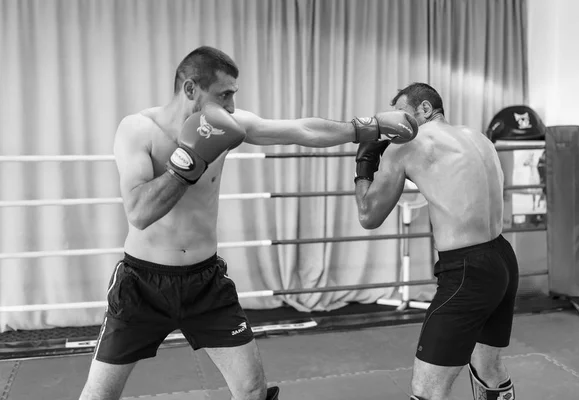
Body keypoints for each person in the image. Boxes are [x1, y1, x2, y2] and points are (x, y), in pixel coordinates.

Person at [78, 46, 418, 400]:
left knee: (253, 391)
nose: (231, 108)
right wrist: (188, 162)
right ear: (191, 88)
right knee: (99, 396)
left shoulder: (229, 123)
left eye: (233, 96)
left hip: (204, 282)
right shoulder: (138, 130)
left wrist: (367, 127)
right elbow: (139, 212)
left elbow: (300, 130)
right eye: (223, 95)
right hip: (143, 284)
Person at [353, 83, 518, 400]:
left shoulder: (406, 147)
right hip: (503, 259)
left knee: (427, 390)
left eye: (402, 114)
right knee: (489, 370)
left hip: (467, 271)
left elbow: (368, 216)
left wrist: (363, 167)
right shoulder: (477, 137)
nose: (396, 125)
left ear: (425, 109)